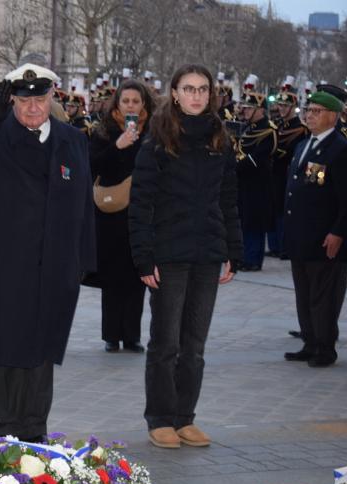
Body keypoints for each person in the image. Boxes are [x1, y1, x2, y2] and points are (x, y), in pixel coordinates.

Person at [0, 64, 96, 442]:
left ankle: (35, 428)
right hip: (6, 263)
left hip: (56, 261)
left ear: (52, 97)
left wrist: (84, 259)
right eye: (24, 100)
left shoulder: (71, 140)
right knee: (7, 345)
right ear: (12, 100)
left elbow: (84, 204)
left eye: (40, 99)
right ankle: (7, 428)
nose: (32, 108)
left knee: (43, 349)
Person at [129, 64, 242, 449]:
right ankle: (160, 418)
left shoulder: (220, 140)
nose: (196, 96)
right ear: (174, 93)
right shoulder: (157, 142)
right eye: (188, 89)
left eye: (203, 89)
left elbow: (228, 200)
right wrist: (144, 258)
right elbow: (140, 205)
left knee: (194, 344)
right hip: (169, 255)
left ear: (211, 95)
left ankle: (185, 417)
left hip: (207, 254)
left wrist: (233, 251)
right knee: (166, 343)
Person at [87, 79, 155, 353]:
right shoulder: (103, 131)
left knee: (137, 274)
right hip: (111, 212)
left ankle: (132, 335)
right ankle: (111, 335)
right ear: (117, 103)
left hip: (141, 212)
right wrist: (119, 146)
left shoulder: (152, 132)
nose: (130, 106)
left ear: (143, 105)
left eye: (135, 102)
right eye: (125, 101)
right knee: (113, 276)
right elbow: (92, 165)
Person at [282, 90, 347, 368]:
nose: (309, 115)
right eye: (309, 110)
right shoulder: (303, 144)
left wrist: (338, 232)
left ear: (333, 116)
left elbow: (346, 197)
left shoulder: (340, 148)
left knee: (324, 296)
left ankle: (325, 346)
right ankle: (309, 342)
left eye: (317, 111)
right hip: (301, 235)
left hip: (325, 236)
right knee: (304, 293)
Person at [235, 75, 276, 272]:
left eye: (250, 108)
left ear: (260, 110)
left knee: (254, 223)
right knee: (244, 220)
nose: (246, 111)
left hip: (258, 183)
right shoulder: (247, 128)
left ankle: (253, 259)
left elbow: (256, 158)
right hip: (243, 183)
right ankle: (244, 257)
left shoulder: (268, 131)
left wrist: (234, 166)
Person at [267, 78, 307, 260]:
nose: (281, 108)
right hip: (274, 174)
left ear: (293, 107)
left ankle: (285, 246)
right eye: (280, 105)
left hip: (288, 174)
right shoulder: (279, 126)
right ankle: (275, 245)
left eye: (285, 106)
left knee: (285, 211)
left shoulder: (300, 129)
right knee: (274, 209)